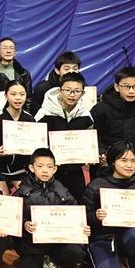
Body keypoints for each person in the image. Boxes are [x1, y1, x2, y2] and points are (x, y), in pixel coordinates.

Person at [14, 148, 88, 268]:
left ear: (55, 169)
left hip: (56, 241)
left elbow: (75, 210)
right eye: (40, 166)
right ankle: (36, 260)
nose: (45, 171)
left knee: (76, 253)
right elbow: (13, 216)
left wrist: (81, 227)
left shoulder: (61, 189)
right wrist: (24, 224)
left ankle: (51, 260)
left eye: (49, 167)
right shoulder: (23, 190)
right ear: (31, 168)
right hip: (32, 244)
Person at [91, 66, 135, 179]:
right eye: (126, 86)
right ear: (116, 87)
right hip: (105, 167)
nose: (131, 91)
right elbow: (93, 135)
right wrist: (100, 153)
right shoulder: (100, 109)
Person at [34, 72, 94, 202]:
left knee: (78, 204)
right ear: (60, 91)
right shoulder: (44, 113)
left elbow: (90, 141)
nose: (72, 94)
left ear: (82, 93)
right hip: (50, 171)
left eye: (77, 91)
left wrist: (92, 154)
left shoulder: (85, 115)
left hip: (75, 170)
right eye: (68, 90)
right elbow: (35, 141)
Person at [0, 80, 36, 193]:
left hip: (20, 170)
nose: (18, 98)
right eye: (13, 94)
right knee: (3, 198)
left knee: (29, 195)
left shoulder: (30, 119)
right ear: (5, 95)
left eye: (22, 94)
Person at [0, 37, 32, 110]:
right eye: (5, 48)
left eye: (11, 48)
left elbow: (28, 99)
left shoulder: (23, 74)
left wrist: (25, 114)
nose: (8, 51)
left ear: (15, 52)